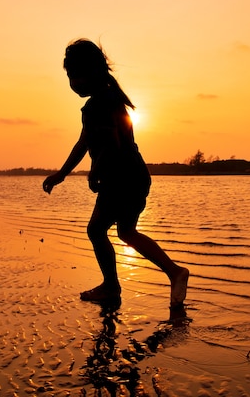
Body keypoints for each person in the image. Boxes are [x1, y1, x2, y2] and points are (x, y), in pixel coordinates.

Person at [43, 39, 189, 309]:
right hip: (133, 176)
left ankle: (113, 286)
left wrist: (94, 172)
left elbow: (113, 141)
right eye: (69, 78)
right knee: (126, 232)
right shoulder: (106, 99)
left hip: (122, 177)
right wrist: (62, 174)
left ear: (90, 74)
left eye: (74, 76)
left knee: (97, 230)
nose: (72, 84)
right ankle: (173, 272)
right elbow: (84, 142)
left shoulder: (102, 102)